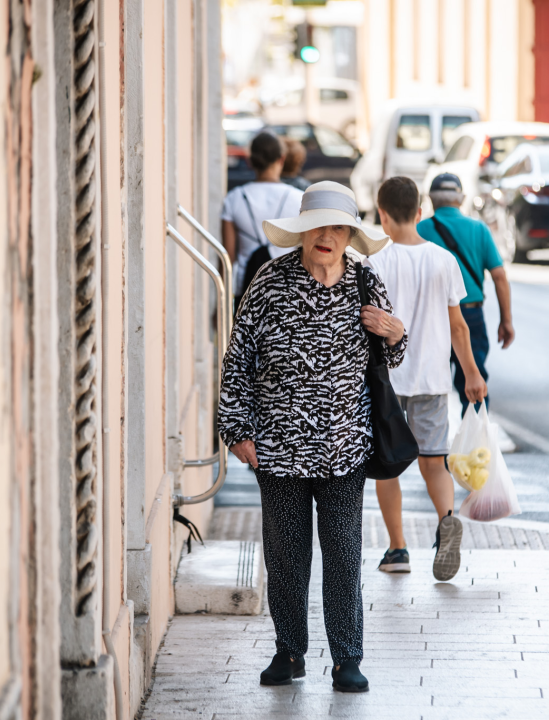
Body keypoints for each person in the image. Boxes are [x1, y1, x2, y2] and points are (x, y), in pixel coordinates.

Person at [219, 181, 407, 693]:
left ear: (349, 235)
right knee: (286, 556)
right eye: (319, 225)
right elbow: (239, 357)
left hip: (345, 444)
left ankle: (347, 658)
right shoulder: (269, 282)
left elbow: (390, 359)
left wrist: (394, 334)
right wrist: (236, 429)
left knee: (344, 555)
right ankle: (290, 651)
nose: (327, 235)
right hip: (279, 446)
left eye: (338, 227)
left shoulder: (365, 283)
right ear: (303, 230)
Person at [366, 177, 488, 582]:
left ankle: (398, 548)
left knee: (388, 467)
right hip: (433, 379)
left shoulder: (375, 262)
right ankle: (446, 520)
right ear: (421, 213)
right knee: (434, 461)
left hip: (387, 381)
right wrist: (471, 373)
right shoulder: (443, 259)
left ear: (382, 216)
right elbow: (459, 327)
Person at [418, 173, 514, 414]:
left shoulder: (419, 229)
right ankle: (474, 447)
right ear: (460, 199)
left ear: (431, 199)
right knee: (473, 385)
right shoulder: (478, 229)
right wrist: (506, 320)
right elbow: (499, 276)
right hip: (470, 316)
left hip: (431, 319)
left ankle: (433, 449)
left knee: (428, 390)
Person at [221, 131, 303, 306]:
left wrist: (220, 303)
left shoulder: (234, 198)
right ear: (281, 159)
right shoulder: (299, 199)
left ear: (250, 161)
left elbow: (227, 258)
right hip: (290, 290)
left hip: (247, 291)